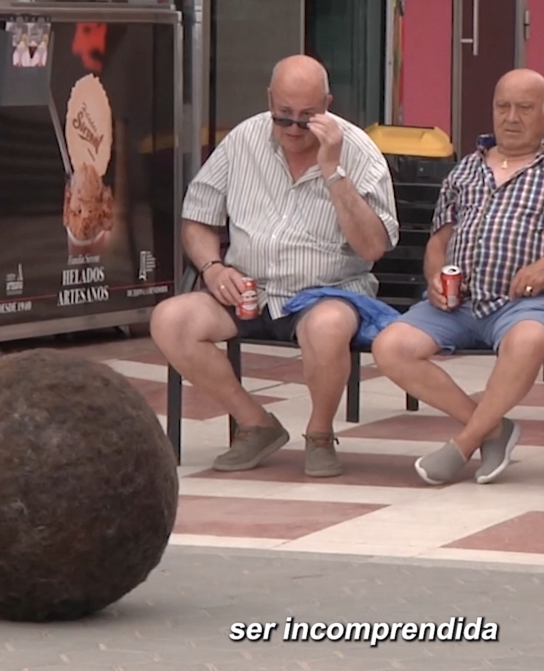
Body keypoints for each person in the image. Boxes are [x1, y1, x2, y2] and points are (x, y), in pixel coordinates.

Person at [149, 55, 399, 478]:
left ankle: (319, 433)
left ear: (328, 104)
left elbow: (374, 246)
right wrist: (212, 267)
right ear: (270, 101)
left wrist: (334, 173)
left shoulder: (357, 151)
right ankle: (255, 423)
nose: (295, 130)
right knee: (170, 319)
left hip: (326, 291)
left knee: (327, 327)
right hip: (250, 287)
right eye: (284, 117)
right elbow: (198, 217)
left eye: (308, 118)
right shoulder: (244, 139)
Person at [370, 69, 544, 486]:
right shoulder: (465, 170)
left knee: (531, 340)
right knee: (390, 345)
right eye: (503, 107)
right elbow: (438, 242)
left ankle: (463, 444)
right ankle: (492, 429)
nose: (512, 118)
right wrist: (435, 279)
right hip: (457, 304)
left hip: (521, 305)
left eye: (524, 108)